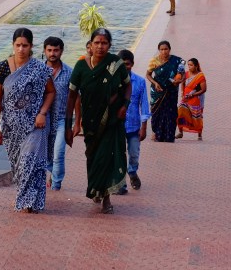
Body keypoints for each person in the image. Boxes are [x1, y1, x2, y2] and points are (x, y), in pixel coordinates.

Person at [65, 28, 131, 214]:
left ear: (109, 45)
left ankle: (106, 197)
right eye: (97, 42)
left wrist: (125, 105)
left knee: (106, 157)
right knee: (93, 157)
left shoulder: (116, 64)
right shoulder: (81, 66)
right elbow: (72, 96)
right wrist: (70, 125)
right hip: (91, 121)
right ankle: (95, 189)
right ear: (90, 45)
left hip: (111, 120)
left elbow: (128, 86)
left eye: (104, 43)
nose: (100, 46)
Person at [0, 28, 56, 213]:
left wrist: (42, 112)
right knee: (19, 166)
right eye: (18, 45)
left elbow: (51, 92)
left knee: (30, 162)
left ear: (31, 46)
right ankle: (29, 199)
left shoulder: (39, 69)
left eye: (25, 45)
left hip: (35, 125)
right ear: (13, 45)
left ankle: (28, 202)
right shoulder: (2, 69)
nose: (21, 49)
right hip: (11, 128)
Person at [44, 36, 76, 191]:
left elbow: (76, 97)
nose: (52, 53)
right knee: (45, 154)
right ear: (44, 51)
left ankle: (56, 184)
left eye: (56, 50)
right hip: (43, 118)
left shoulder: (69, 72)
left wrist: (76, 122)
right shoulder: (39, 71)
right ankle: (52, 172)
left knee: (59, 153)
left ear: (61, 51)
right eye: (49, 50)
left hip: (62, 119)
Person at [117, 49, 150, 194]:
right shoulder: (112, 82)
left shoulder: (140, 82)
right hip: (116, 126)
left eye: (127, 64)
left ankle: (132, 171)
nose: (125, 67)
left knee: (134, 154)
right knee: (118, 156)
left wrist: (144, 127)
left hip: (134, 126)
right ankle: (120, 184)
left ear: (132, 64)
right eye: (122, 64)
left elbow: (144, 105)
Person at [146, 40, 184, 143]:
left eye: (166, 49)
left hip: (171, 91)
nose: (164, 51)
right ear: (159, 50)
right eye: (161, 49)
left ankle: (169, 136)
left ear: (169, 49)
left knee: (171, 113)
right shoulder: (154, 61)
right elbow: (148, 75)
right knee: (156, 112)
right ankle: (156, 133)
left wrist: (179, 81)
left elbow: (182, 74)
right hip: (158, 91)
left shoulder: (177, 61)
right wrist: (155, 83)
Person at [176, 58, 206, 140]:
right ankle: (180, 132)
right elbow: (182, 83)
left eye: (191, 65)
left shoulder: (200, 76)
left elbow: (203, 89)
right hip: (186, 98)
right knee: (180, 112)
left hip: (196, 98)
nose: (189, 67)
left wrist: (193, 94)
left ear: (196, 66)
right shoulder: (186, 74)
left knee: (196, 116)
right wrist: (182, 93)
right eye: (188, 65)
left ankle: (199, 135)